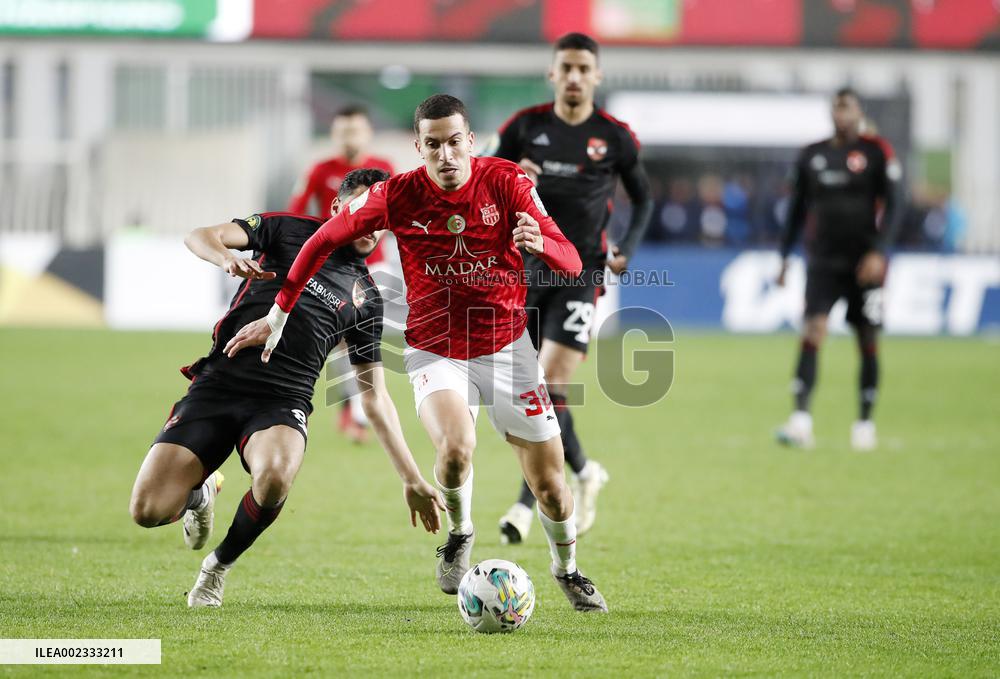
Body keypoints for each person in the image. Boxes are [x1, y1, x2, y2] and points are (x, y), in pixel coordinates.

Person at [241, 94, 608, 612]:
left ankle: (567, 569)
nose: (445, 156)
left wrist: (543, 245)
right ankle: (460, 534)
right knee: (456, 448)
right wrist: (279, 310)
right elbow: (324, 236)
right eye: (433, 145)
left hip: (508, 348)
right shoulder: (397, 195)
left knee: (550, 487)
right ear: (419, 148)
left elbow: (570, 257)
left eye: (454, 142)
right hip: (436, 350)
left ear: (470, 141)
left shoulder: (507, 183)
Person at [129, 169, 444, 608]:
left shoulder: (367, 297)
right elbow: (198, 235)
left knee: (275, 475)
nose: (372, 225)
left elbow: (373, 397)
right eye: (362, 211)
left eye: (380, 217)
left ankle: (217, 568)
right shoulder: (288, 229)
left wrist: (411, 478)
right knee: (147, 511)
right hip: (218, 384)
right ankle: (201, 492)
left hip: (282, 403)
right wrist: (225, 258)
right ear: (337, 208)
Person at [483, 32, 653, 543]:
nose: (575, 76)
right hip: (525, 272)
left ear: (596, 76)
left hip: (582, 273)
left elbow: (642, 199)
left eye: (584, 68)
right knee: (526, 388)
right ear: (552, 74)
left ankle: (524, 503)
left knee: (549, 384)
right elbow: (479, 175)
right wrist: (510, 169)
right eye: (567, 67)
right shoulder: (525, 127)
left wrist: (627, 249)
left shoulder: (615, 136)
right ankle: (582, 470)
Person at [775, 87, 903, 451]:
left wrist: (879, 252)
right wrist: (784, 257)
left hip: (865, 264)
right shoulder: (812, 155)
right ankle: (801, 421)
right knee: (813, 329)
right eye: (836, 108)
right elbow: (797, 210)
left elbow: (895, 205)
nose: (841, 114)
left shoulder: (876, 152)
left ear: (859, 112)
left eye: (847, 108)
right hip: (823, 261)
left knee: (867, 338)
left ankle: (864, 424)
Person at [288, 105, 396, 443]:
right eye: (343, 131)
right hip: (331, 266)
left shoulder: (385, 169)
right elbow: (296, 209)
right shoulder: (321, 170)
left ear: (367, 133)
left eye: (356, 130)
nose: (350, 137)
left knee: (360, 337)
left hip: (374, 266)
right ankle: (352, 407)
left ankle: (360, 414)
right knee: (338, 343)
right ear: (334, 134)